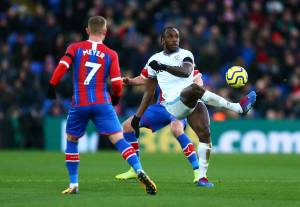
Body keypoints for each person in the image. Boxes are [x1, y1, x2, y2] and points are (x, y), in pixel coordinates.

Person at [130, 26, 257, 187]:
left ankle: (202, 178)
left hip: (190, 99)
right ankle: (238, 108)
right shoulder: (153, 59)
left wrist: (163, 67)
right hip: (172, 105)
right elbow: (144, 81)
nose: (174, 39)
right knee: (195, 89)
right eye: (170, 36)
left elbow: (186, 71)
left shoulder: (186, 54)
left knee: (205, 134)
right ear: (162, 40)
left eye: (176, 36)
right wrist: (127, 82)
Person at [46, 16, 157, 195]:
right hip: (102, 102)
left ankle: (74, 183)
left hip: (80, 102)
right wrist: (115, 99)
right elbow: (116, 83)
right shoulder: (111, 54)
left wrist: (52, 86)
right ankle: (139, 170)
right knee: (119, 139)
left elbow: (62, 66)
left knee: (72, 140)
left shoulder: (74, 48)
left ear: (87, 30)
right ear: (105, 32)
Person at [116, 69, 204, 184]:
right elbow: (144, 78)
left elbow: (199, 84)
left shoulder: (189, 66)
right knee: (128, 126)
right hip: (161, 108)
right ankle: (134, 169)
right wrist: (129, 81)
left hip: (179, 106)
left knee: (176, 129)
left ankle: (198, 172)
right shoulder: (160, 63)